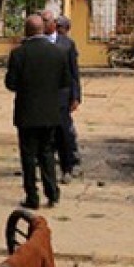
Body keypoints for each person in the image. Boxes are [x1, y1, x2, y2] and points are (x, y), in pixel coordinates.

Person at [6, 14, 70, 209]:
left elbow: (11, 83)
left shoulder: (19, 53)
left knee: (28, 156)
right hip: (50, 112)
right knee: (47, 153)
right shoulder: (58, 52)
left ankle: (32, 197)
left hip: (27, 113)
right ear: (43, 29)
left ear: (26, 31)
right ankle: (52, 193)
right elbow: (65, 82)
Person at [55, 15, 82, 183]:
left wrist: (76, 96)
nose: (59, 30)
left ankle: (70, 163)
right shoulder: (44, 43)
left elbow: (74, 73)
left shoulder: (68, 45)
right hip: (47, 96)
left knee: (65, 130)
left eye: (61, 27)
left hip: (63, 96)